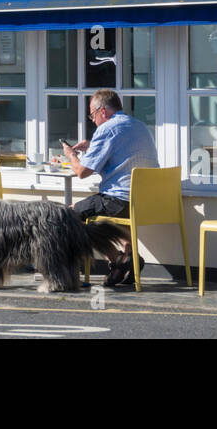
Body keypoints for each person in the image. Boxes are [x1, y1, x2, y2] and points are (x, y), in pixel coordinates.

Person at [61, 88, 159, 286]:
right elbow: (122, 154)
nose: (93, 120)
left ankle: (117, 260)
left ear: (103, 111)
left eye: (92, 115)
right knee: (103, 212)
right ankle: (130, 256)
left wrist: (70, 154)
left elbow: (81, 172)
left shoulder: (107, 129)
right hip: (146, 201)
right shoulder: (139, 125)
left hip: (119, 199)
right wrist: (92, 147)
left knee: (70, 214)